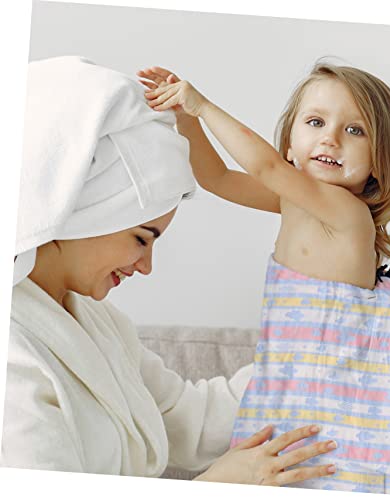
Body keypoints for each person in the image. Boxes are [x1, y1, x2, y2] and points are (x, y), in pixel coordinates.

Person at [1, 56, 339, 485]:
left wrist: (304, 351)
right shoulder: (13, 359)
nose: (146, 266)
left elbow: (186, 416)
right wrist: (218, 486)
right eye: (142, 238)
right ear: (80, 215)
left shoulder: (98, 322)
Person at [138, 61, 390, 496]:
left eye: (355, 130)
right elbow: (216, 178)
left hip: (334, 391)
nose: (331, 138)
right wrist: (187, 121)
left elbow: (265, 168)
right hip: (293, 379)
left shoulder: (347, 212)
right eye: (316, 122)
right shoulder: (297, 201)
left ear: (382, 159)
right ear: (290, 143)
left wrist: (202, 105)